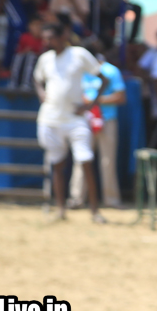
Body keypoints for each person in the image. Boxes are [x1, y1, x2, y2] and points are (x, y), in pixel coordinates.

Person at [33, 23, 108, 222]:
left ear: (62, 37)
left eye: (50, 38)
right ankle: (60, 210)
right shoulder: (45, 59)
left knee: (86, 162)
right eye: (45, 38)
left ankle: (95, 211)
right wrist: (41, 93)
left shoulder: (79, 54)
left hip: (75, 119)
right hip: (50, 119)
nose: (47, 42)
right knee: (57, 164)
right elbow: (37, 79)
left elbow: (103, 79)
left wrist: (90, 105)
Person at [67, 41, 126, 210]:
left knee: (108, 161)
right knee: (81, 158)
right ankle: (77, 199)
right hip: (84, 121)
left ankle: (111, 200)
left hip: (107, 120)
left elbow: (121, 97)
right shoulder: (80, 71)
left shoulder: (111, 71)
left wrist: (95, 101)